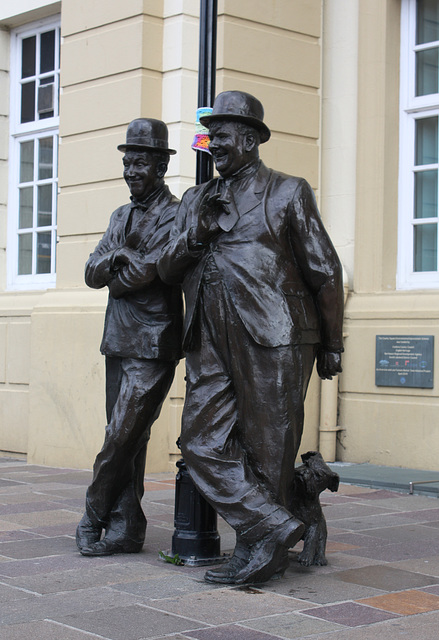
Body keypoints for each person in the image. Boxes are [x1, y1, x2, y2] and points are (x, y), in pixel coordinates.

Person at [157, 91, 344, 584]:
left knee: (269, 449)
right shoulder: (196, 199)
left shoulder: (287, 191)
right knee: (200, 442)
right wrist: (195, 232)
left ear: (250, 139)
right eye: (211, 135)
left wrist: (333, 343)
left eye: (222, 135)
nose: (213, 144)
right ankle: (273, 526)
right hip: (209, 335)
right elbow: (168, 268)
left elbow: (325, 272)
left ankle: (261, 552)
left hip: (275, 333)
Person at [76, 118, 182, 556]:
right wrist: (117, 256)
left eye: (140, 163)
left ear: (159, 166)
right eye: (127, 162)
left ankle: (92, 515)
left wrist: (118, 267)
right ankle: (127, 528)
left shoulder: (175, 214)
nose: (131, 171)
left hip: (154, 341)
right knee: (129, 439)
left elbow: (140, 275)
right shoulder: (119, 215)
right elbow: (91, 273)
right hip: (118, 338)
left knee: (120, 434)